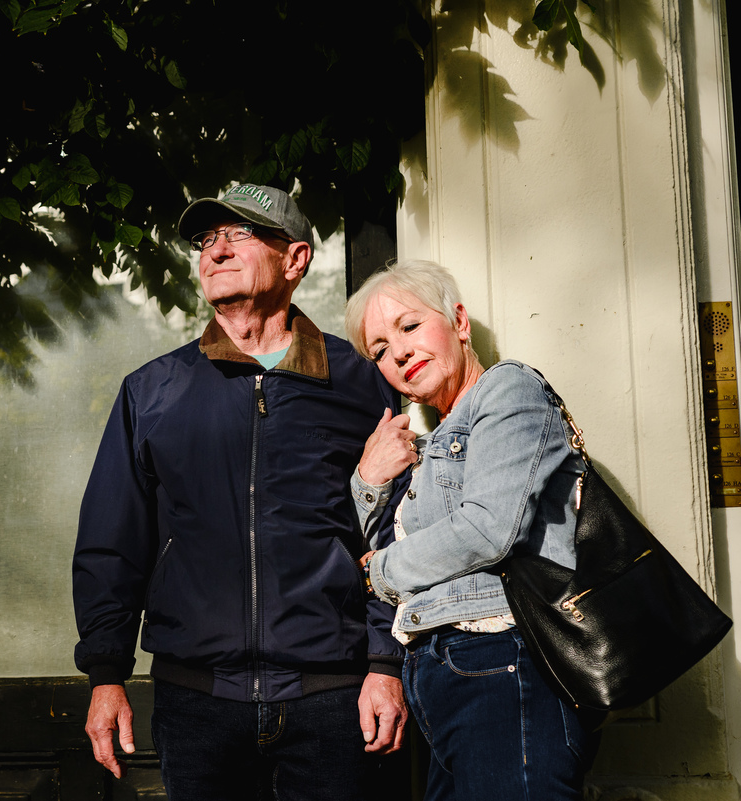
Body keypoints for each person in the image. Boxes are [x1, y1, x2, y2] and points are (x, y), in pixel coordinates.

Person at [72, 183, 408, 800]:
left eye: (239, 235)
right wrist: (105, 673)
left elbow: (399, 530)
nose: (215, 251)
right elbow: (111, 542)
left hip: (335, 700)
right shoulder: (153, 392)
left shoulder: (360, 383)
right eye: (206, 240)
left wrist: (386, 664)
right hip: (197, 703)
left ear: (295, 259)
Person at [347, 259, 602, 801]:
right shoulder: (431, 442)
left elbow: (487, 531)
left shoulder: (508, 390)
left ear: (459, 322)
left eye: (410, 326)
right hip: (444, 674)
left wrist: (380, 573)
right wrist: (368, 481)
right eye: (379, 349)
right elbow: (388, 546)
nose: (398, 352)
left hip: (505, 663)